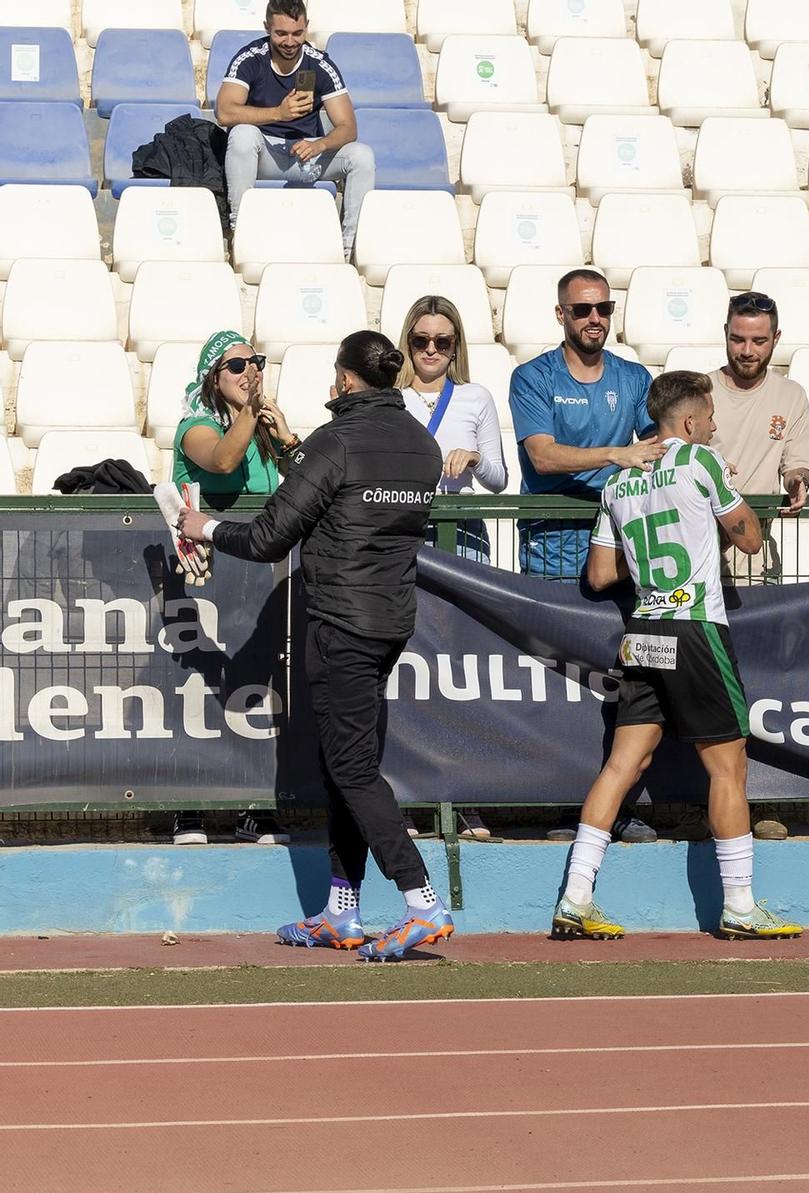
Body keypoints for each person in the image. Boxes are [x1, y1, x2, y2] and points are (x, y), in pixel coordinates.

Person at [175, 331, 449, 962]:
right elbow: (350, 506)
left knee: (350, 768)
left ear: (346, 380)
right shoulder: (421, 443)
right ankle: (340, 911)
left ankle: (422, 901)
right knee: (341, 766)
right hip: (389, 618)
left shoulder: (338, 440)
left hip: (339, 621)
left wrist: (205, 526)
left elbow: (272, 536)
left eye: (334, 373)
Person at [553, 371, 804, 942]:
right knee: (728, 765)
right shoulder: (701, 462)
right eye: (710, 418)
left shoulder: (619, 482)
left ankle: (575, 896)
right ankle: (739, 904)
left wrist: (647, 554)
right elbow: (749, 538)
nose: (714, 427)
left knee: (621, 765)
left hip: (643, 629)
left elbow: (598, 574)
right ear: (690, 422)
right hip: (693, 627)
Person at [510, 267, 661, 844]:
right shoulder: (533, 377)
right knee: (559, 681)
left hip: (625, 550)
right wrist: (616, 455)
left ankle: (622, 807)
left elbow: (658, 446)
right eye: (581, 310)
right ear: (561, 316)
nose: (594, 319)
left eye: (603, 309)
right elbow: (543, 459)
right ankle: (560, 804)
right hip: (551, 546)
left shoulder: (633, 376)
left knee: (629, 677)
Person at [168, 329, 298, 848]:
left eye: (256, 363)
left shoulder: (261, 428)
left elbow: (306, 479)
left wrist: (285, 436)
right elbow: (221, 461)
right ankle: (187, 806)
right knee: (194, 690)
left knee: (259, 688)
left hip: (258, 579)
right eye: (238, 366)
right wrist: (253, 411)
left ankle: (253, 804)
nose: (251, 373)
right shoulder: (194, 425)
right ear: (213, 379)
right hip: (206, 574)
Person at [397, 295, 504, 842]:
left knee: (462, 674)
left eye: (443, 341)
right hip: (405, 546)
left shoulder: (475, 397)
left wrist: (473, 458)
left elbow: (500, 479)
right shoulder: (390, 401)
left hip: (463, 547)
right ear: (407, 343)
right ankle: (415, 798)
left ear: (457, 345)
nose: (432, 350)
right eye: (421, 341)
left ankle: (466, 798)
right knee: (411, 673)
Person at [216, 1, 374, 261]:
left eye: (297, 33)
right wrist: (278, 113)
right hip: (264, 155)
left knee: (362, 156)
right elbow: (224, 112)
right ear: (267, 28)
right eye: (281, 34)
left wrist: (320, 145)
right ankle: (240, 232)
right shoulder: (250, 59)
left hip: (306, 155)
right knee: (241, 135)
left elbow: (348, 128)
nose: (290, 41)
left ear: (306, 28)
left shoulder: (320, 64)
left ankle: (347, 250)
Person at [709, 291, 809, 516]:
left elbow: (797, 465)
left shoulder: (792, 395)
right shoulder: (698, 392)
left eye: (759, 341)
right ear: (725, 333)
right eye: (737, 340)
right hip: (701, 537)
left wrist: (799, 481)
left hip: (758, 538)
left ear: (776, 339)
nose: (747, 351)